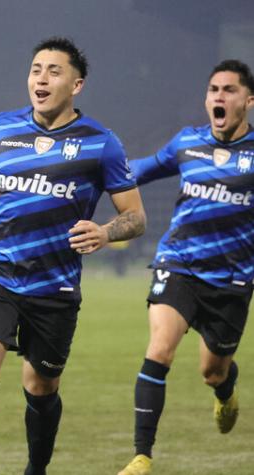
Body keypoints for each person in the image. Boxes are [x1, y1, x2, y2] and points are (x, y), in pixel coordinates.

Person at [0, 37, 146, 475]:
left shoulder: (101, 143)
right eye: (36, 69)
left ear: (77, 85)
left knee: (41, 387)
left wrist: (105, 231)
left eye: (54, 71)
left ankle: (36, 469)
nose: (41, 78)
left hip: (54, 285)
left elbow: (135, 218)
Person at [116, 60, 254, 475]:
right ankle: (142, 455)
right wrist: (92, 172)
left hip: (231, 279)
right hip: (179, 265)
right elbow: (136, 170)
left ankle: (226, 390)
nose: (219, 97)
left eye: (229, 90)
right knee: (160, 349)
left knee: (213, 371)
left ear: (248, 101)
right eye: (214, 89)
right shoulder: (186, 144)